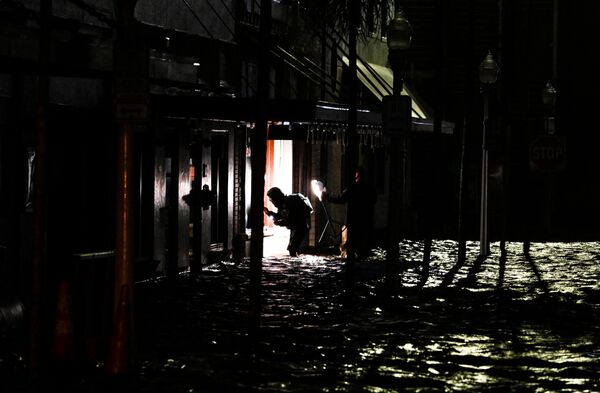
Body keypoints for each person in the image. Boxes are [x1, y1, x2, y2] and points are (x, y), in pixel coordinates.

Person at [323, 167, 377, 259]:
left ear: (357, 176)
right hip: (366, 219)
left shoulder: (353, 188)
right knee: (363, 243)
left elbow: (340, 198)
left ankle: (354, 261)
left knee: (353, 242)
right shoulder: (370, 188)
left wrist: (327, 196)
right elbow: (374, 200)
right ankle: (362, 259)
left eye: (356, 176)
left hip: (354, 220)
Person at [264, 187, 313, 257]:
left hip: (300, 227)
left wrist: (280, 223)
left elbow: (292, 219)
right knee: (293, 249)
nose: (272, 202)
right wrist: (269, 213)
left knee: (292, 249)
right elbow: (280, 215)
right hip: (296, 228)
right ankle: (296, 264)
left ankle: (296, 265)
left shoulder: (289, 202)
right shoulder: (284, 204)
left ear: (277, 198)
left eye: (272, 200)